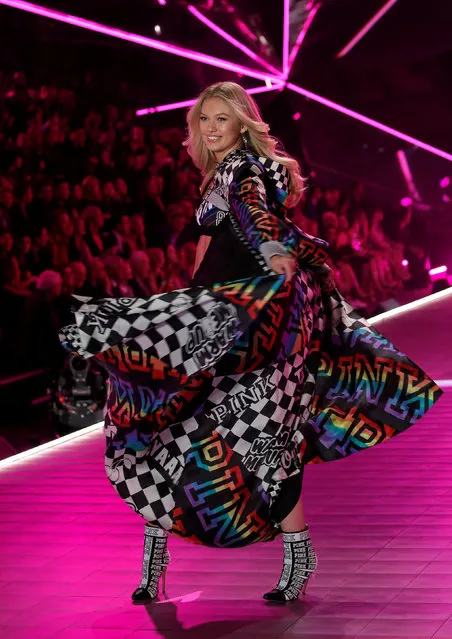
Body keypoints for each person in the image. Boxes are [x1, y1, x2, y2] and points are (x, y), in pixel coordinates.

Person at [60, 82, 442, 604]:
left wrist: (268, 243)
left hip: (262, 323)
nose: (212, 128)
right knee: (163, 429)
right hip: (215, 318)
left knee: (268, 444)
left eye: (222, 118)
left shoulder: (244, 171)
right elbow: (207, 248)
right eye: (205, 119)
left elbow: (252, 212)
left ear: (243, 123)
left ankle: (297, 559)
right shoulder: (216, 175)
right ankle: (155, 566)